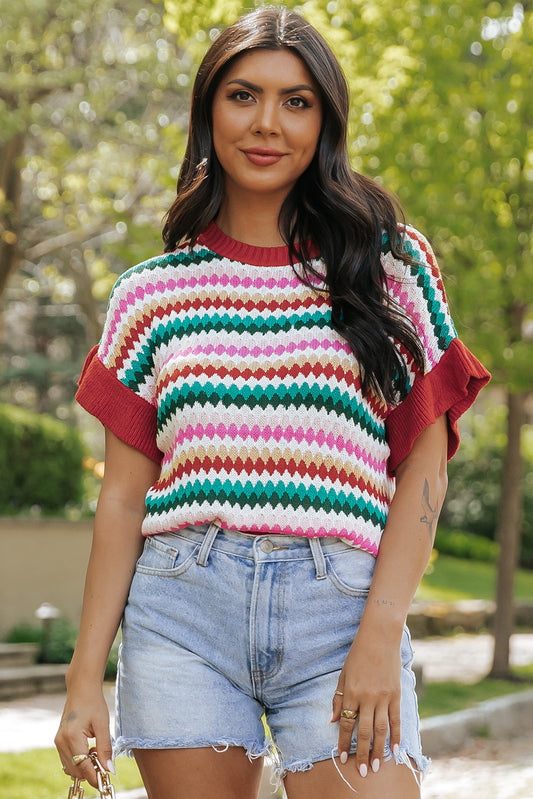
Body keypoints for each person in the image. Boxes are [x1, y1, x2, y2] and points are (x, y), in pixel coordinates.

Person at [55, 7, 490, 798]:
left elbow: (425, 463)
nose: (266, 124)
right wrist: (85, 678)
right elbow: (121, 498)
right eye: (242, 95)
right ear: (207, 112)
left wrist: (380, 635)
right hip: (184, 614)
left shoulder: (389, 266)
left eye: (296, 102)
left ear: (324, 120)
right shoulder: (149, 296)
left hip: (342, 615)